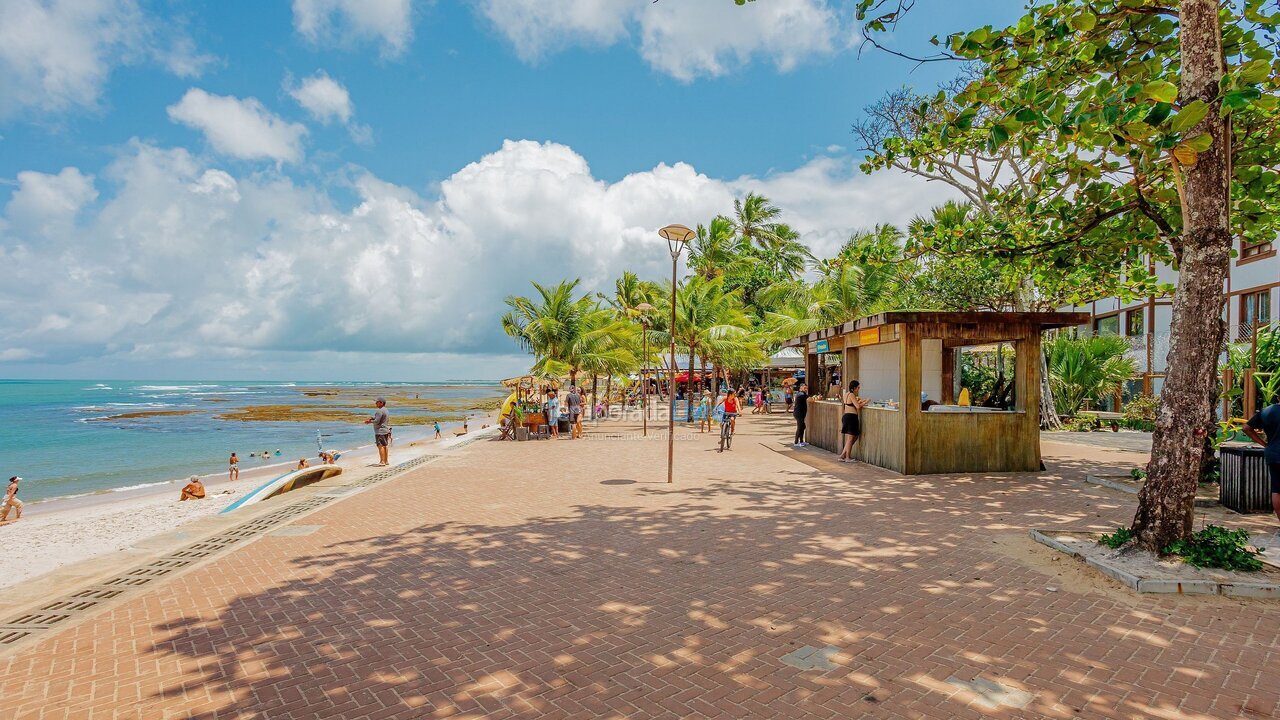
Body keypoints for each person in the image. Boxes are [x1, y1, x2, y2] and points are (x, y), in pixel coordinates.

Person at [1243, 399, 1280, 528]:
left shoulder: (1266, 411)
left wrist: (1263, 444)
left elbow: (1246, 428)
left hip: (1273, 453)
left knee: (1277, 489)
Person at [838, 380, 871, 463]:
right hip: (851, 417)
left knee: (854, 437)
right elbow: (857, 406)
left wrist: (860, 402)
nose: (859, 389)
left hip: (846, 416)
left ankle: (843, 455)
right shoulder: (852, 395)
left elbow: (852, 404)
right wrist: (866, 402)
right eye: (858, 387)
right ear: (854, 388)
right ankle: (847, 457)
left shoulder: (846, 394)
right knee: (850, 438)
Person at [364, 397, 391, 466]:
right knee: (385, 446)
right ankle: (386, 461)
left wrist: (369, 421)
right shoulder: (386, 410)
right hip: (385, 430)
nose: (375, 403)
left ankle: (382, 461)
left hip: (380, 431)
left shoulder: (379, 411)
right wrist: (373, 418)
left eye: (377, 402)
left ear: (381, 403)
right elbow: (381, 418)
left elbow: (377, 421)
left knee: (380, 446)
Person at [792, 383, 809, 447]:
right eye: (804, 388)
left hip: (801, 413)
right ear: (801, 388)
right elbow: (810, 399)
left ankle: (801, 441)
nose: (806, 389)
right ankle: (796, 442)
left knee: (802, 427)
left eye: (806, 388)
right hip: (798, 413)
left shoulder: (803, 394)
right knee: (800, 427)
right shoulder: (801, 394)